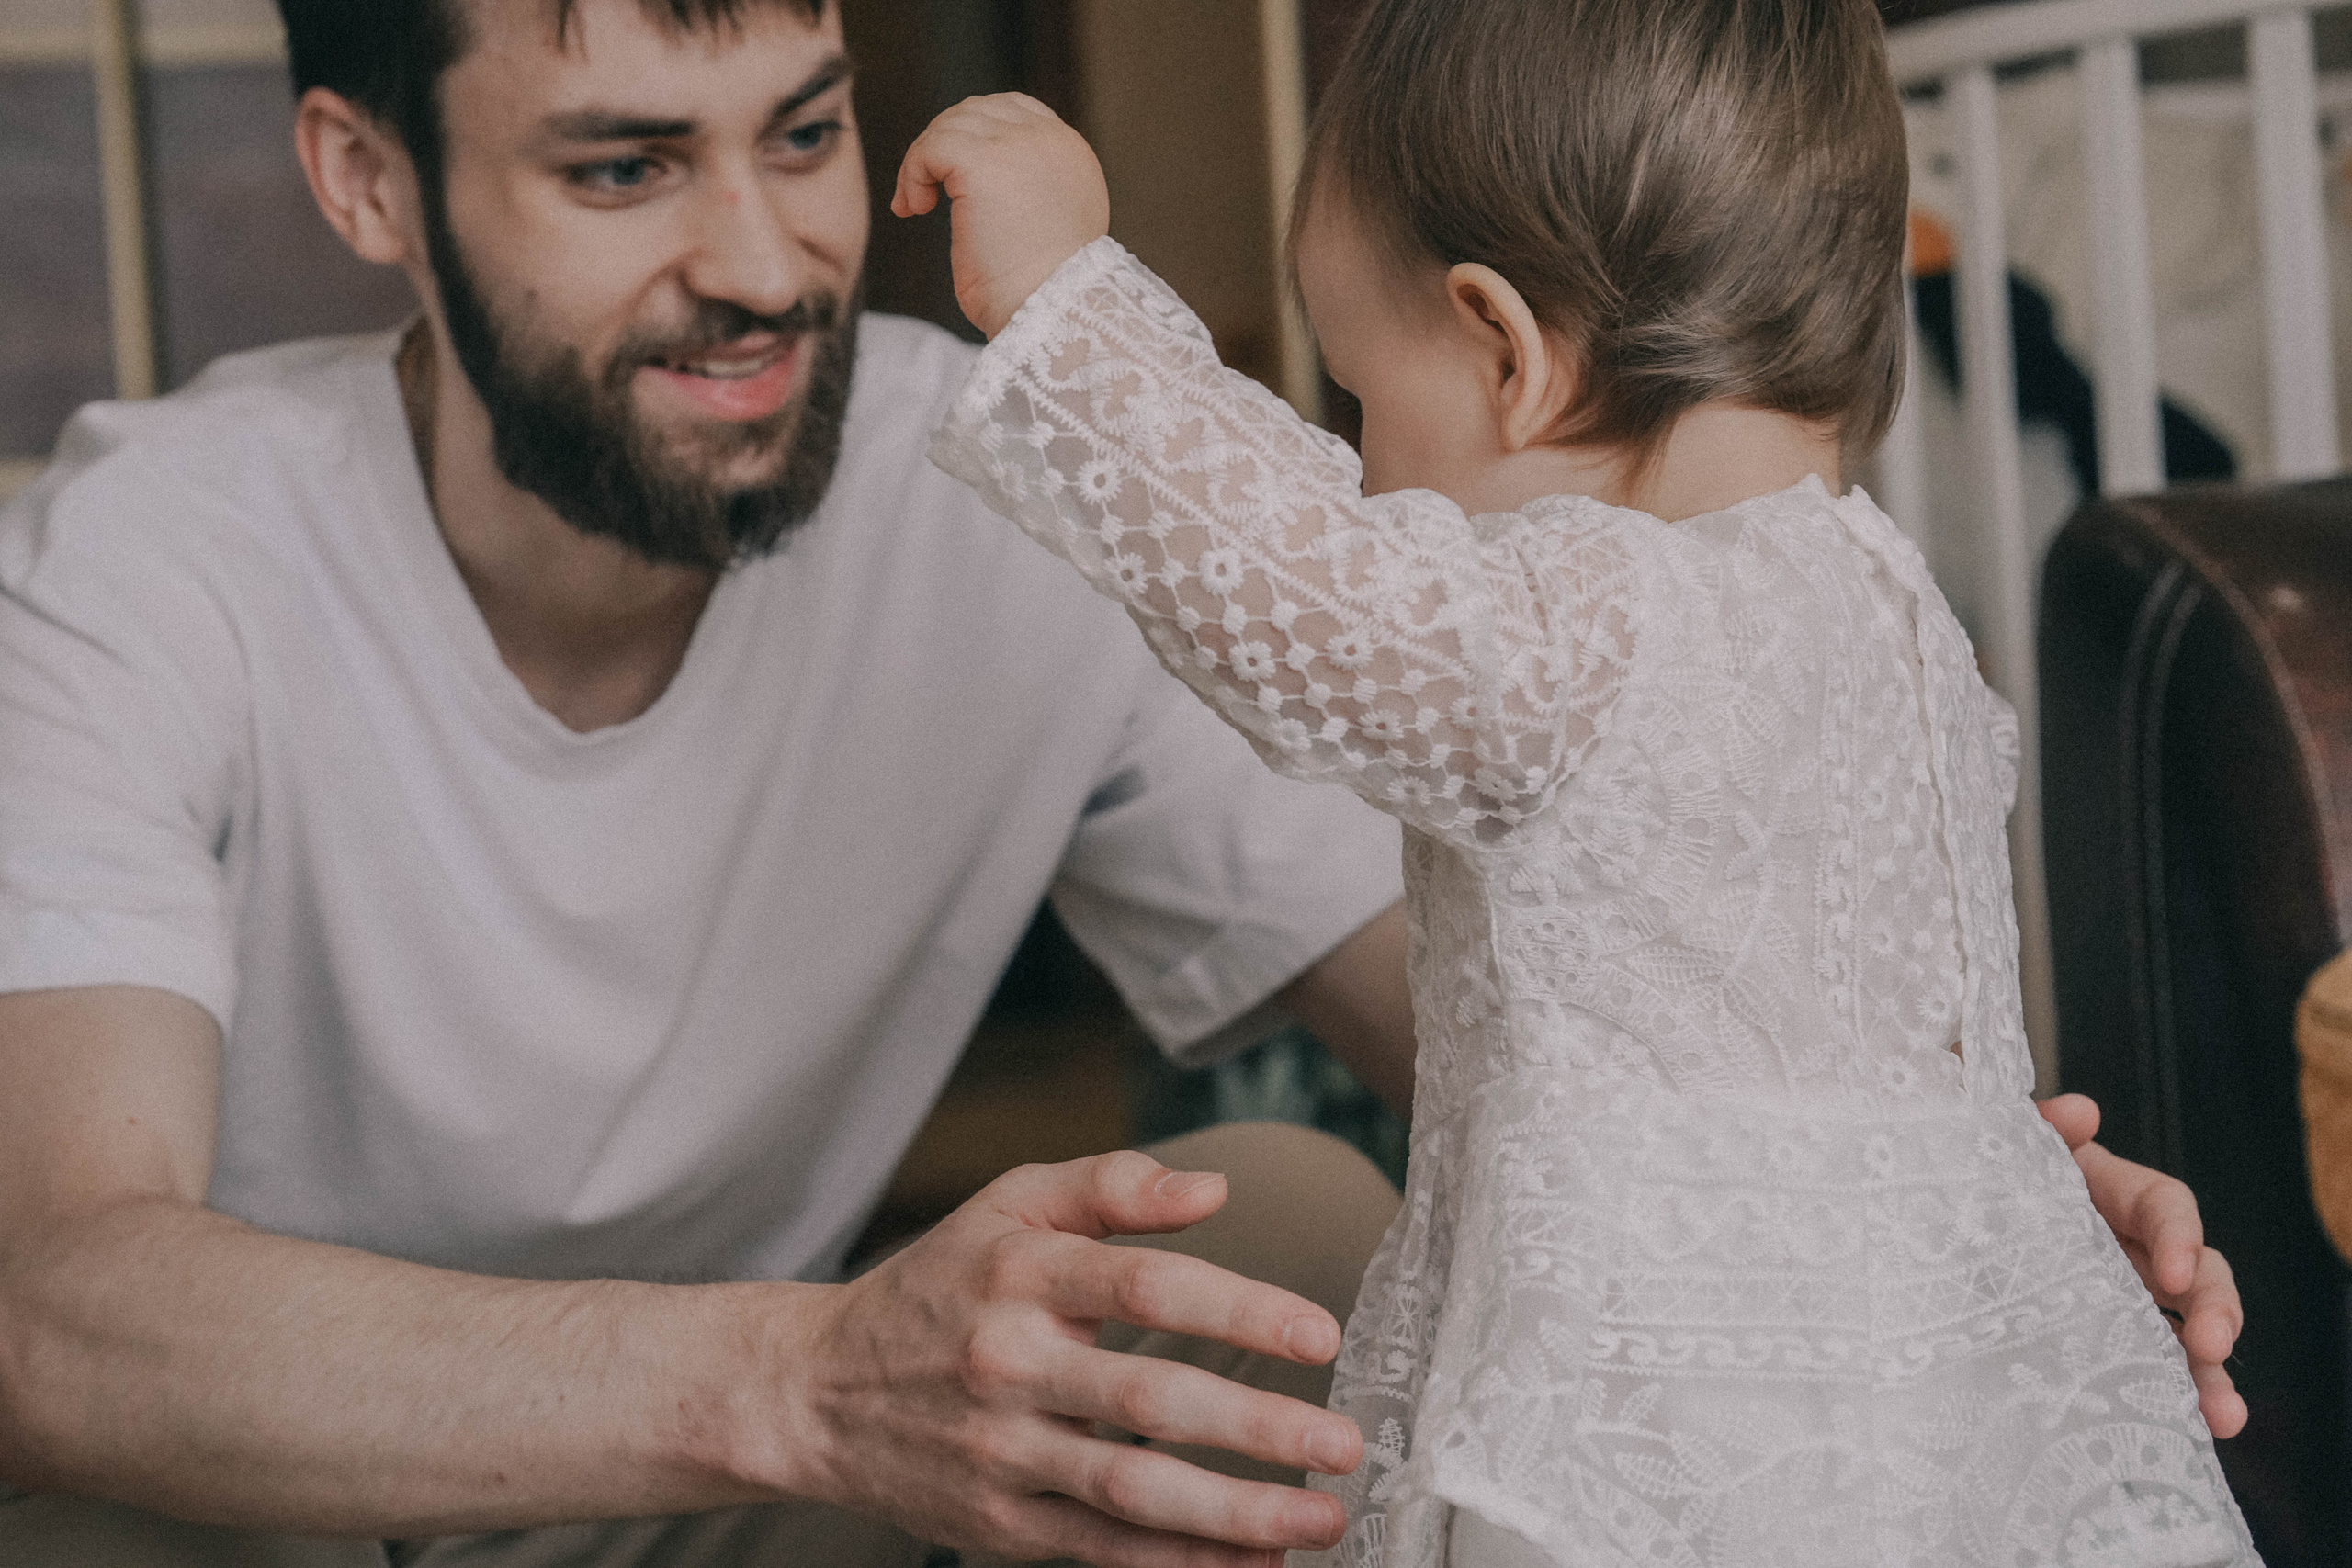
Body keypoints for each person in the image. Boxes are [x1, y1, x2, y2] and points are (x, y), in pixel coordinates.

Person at [0, 1, 2240, 1565]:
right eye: (621, 166)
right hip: (276, 1496)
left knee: (1283, 1231)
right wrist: (806, 1371)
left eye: (800, 134)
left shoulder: (972, 489)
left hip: (753, 1511)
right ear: (363, 176)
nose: (768, 259)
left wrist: (1912, 1220)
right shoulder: (155, 550)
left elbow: (1538, 980)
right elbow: (53, 1302)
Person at [899, 2, 2262, 1563]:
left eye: (1357, 398)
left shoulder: (1612, 616)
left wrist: (1071, 302)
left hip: (1671, 1448)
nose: (1365, 467)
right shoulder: (1904, 632)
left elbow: (1316, 601)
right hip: (1943, 1431)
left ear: (1510, 354)